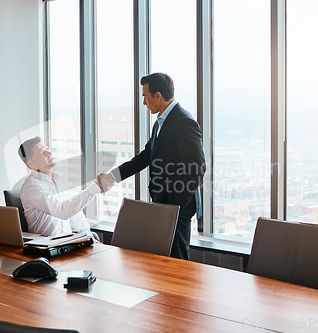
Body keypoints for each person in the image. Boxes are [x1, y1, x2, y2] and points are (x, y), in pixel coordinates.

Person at [102, 73, 206, 260]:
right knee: (165, 259)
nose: (144, 102)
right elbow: (145, 157)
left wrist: (176, 205)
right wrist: (113, 177)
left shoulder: (183, 122)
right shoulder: (161, 122)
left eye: (145, 96)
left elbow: (197, 168)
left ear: (158, 96)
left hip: (177, 205)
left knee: (177, 260)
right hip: (164, 202)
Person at [18, 136, 113, 239]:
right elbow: (63, 211)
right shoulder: (31, 187)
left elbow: (74, 213)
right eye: (42, 152)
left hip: (67, 242)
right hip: (47, 246)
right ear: (31, 164)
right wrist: (96, 187)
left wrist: (88, 237)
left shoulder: (58, 179)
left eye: (47, 149)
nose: (49, 153)